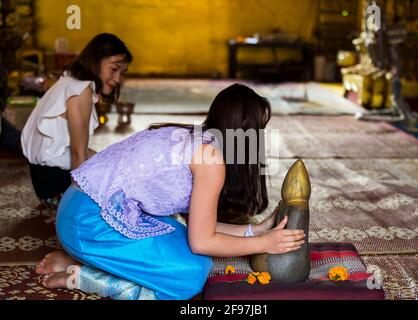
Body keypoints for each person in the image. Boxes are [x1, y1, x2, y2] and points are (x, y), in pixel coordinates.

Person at [35, 84, 306, 300]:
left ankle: (81, 255)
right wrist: (264, 244)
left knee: (181, 236)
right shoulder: (210, 160)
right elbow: (203, 242)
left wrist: (256, 230)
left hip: (84, 208)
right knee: (190, 273)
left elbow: (201, 228)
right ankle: (84, 274)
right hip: (88, 221)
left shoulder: (197, 140)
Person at [21, 33, 132, 210]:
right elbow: (77, 154)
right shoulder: (81, 91)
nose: (118, 79)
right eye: (113, 69)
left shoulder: (69, 81)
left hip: (44, 184)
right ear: (96, 61)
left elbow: (74, 148)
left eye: (123, 72)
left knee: (117, 166)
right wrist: (76, 207)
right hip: (57, 190)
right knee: (128, 195)